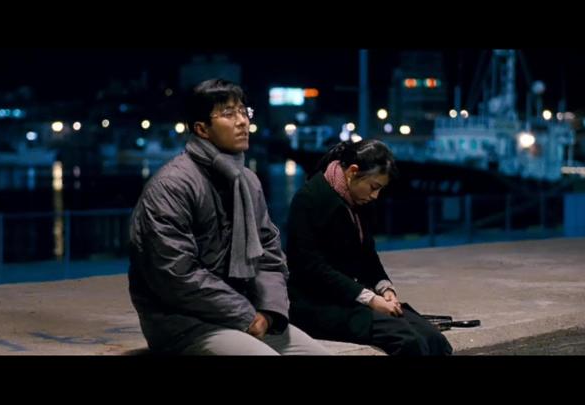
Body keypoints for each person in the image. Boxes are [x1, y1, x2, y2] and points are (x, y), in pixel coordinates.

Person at [128, 78, 329, 355]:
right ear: (201, 129)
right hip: (184, 323)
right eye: (228, 114)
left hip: (247, 314)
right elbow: (175, 273)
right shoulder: (171, 186)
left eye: (244, 112)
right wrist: (245, 315)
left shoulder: (247, 181)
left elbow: (269, 254)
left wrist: (268, 311)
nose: (242, 122)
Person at [286, 139, 453, 356]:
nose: (375, 196)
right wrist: (370, 298)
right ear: (352, 172)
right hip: (317, 304)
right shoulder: (309, 199)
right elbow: (311, 267)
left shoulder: (357, 199)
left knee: (434, 338)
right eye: (374, 187)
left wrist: (385, 288)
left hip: (353, 299)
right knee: (408, 340)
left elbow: (368, 256)